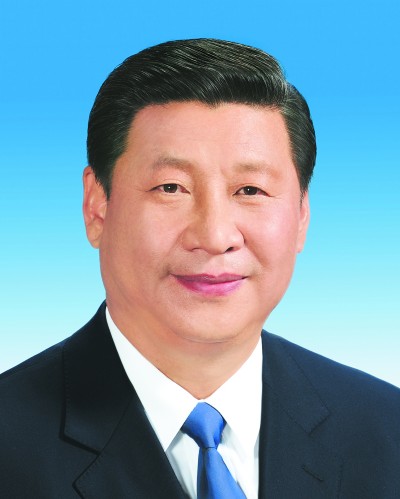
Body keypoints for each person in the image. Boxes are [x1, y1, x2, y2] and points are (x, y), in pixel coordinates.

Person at [0, 38, 399, 499]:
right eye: (171, 187)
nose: (214, 235)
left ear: (302, 216)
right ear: (97, 207)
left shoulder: (386, 430)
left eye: (250, 190)